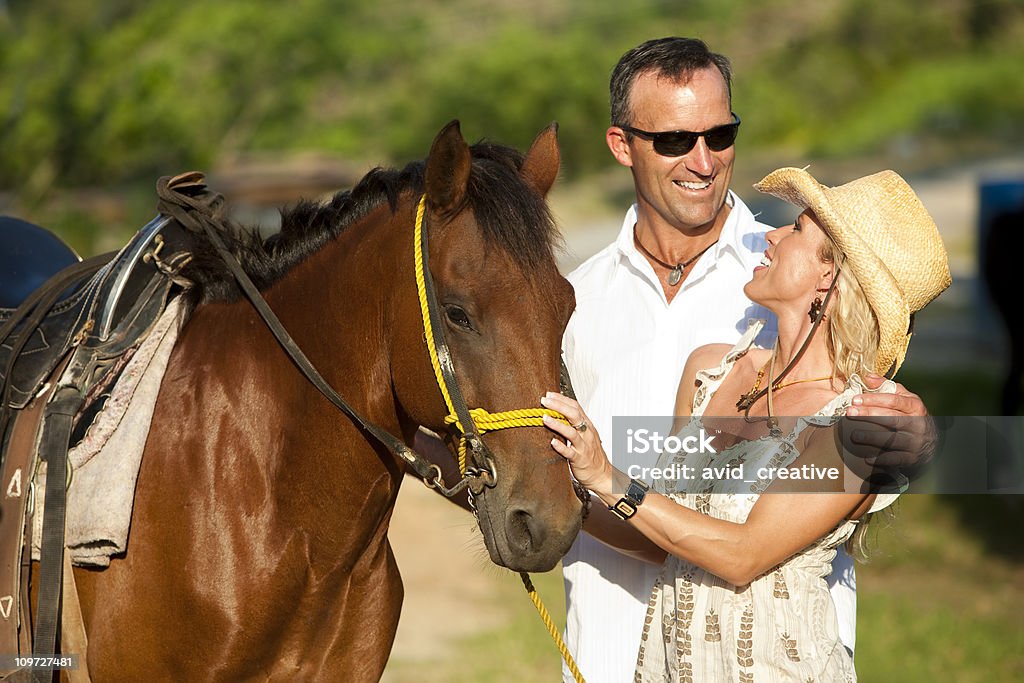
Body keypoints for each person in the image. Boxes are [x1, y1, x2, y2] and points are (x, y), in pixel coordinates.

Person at [557, 37, 937, 683]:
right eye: (676, 140)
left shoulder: (775, 276)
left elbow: (752, 541)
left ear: (829, 278)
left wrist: (922, 438)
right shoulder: (577, 300)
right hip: (618, 648)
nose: (703, 161)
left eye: (721, 133)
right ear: (623, 146)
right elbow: (643, 510)